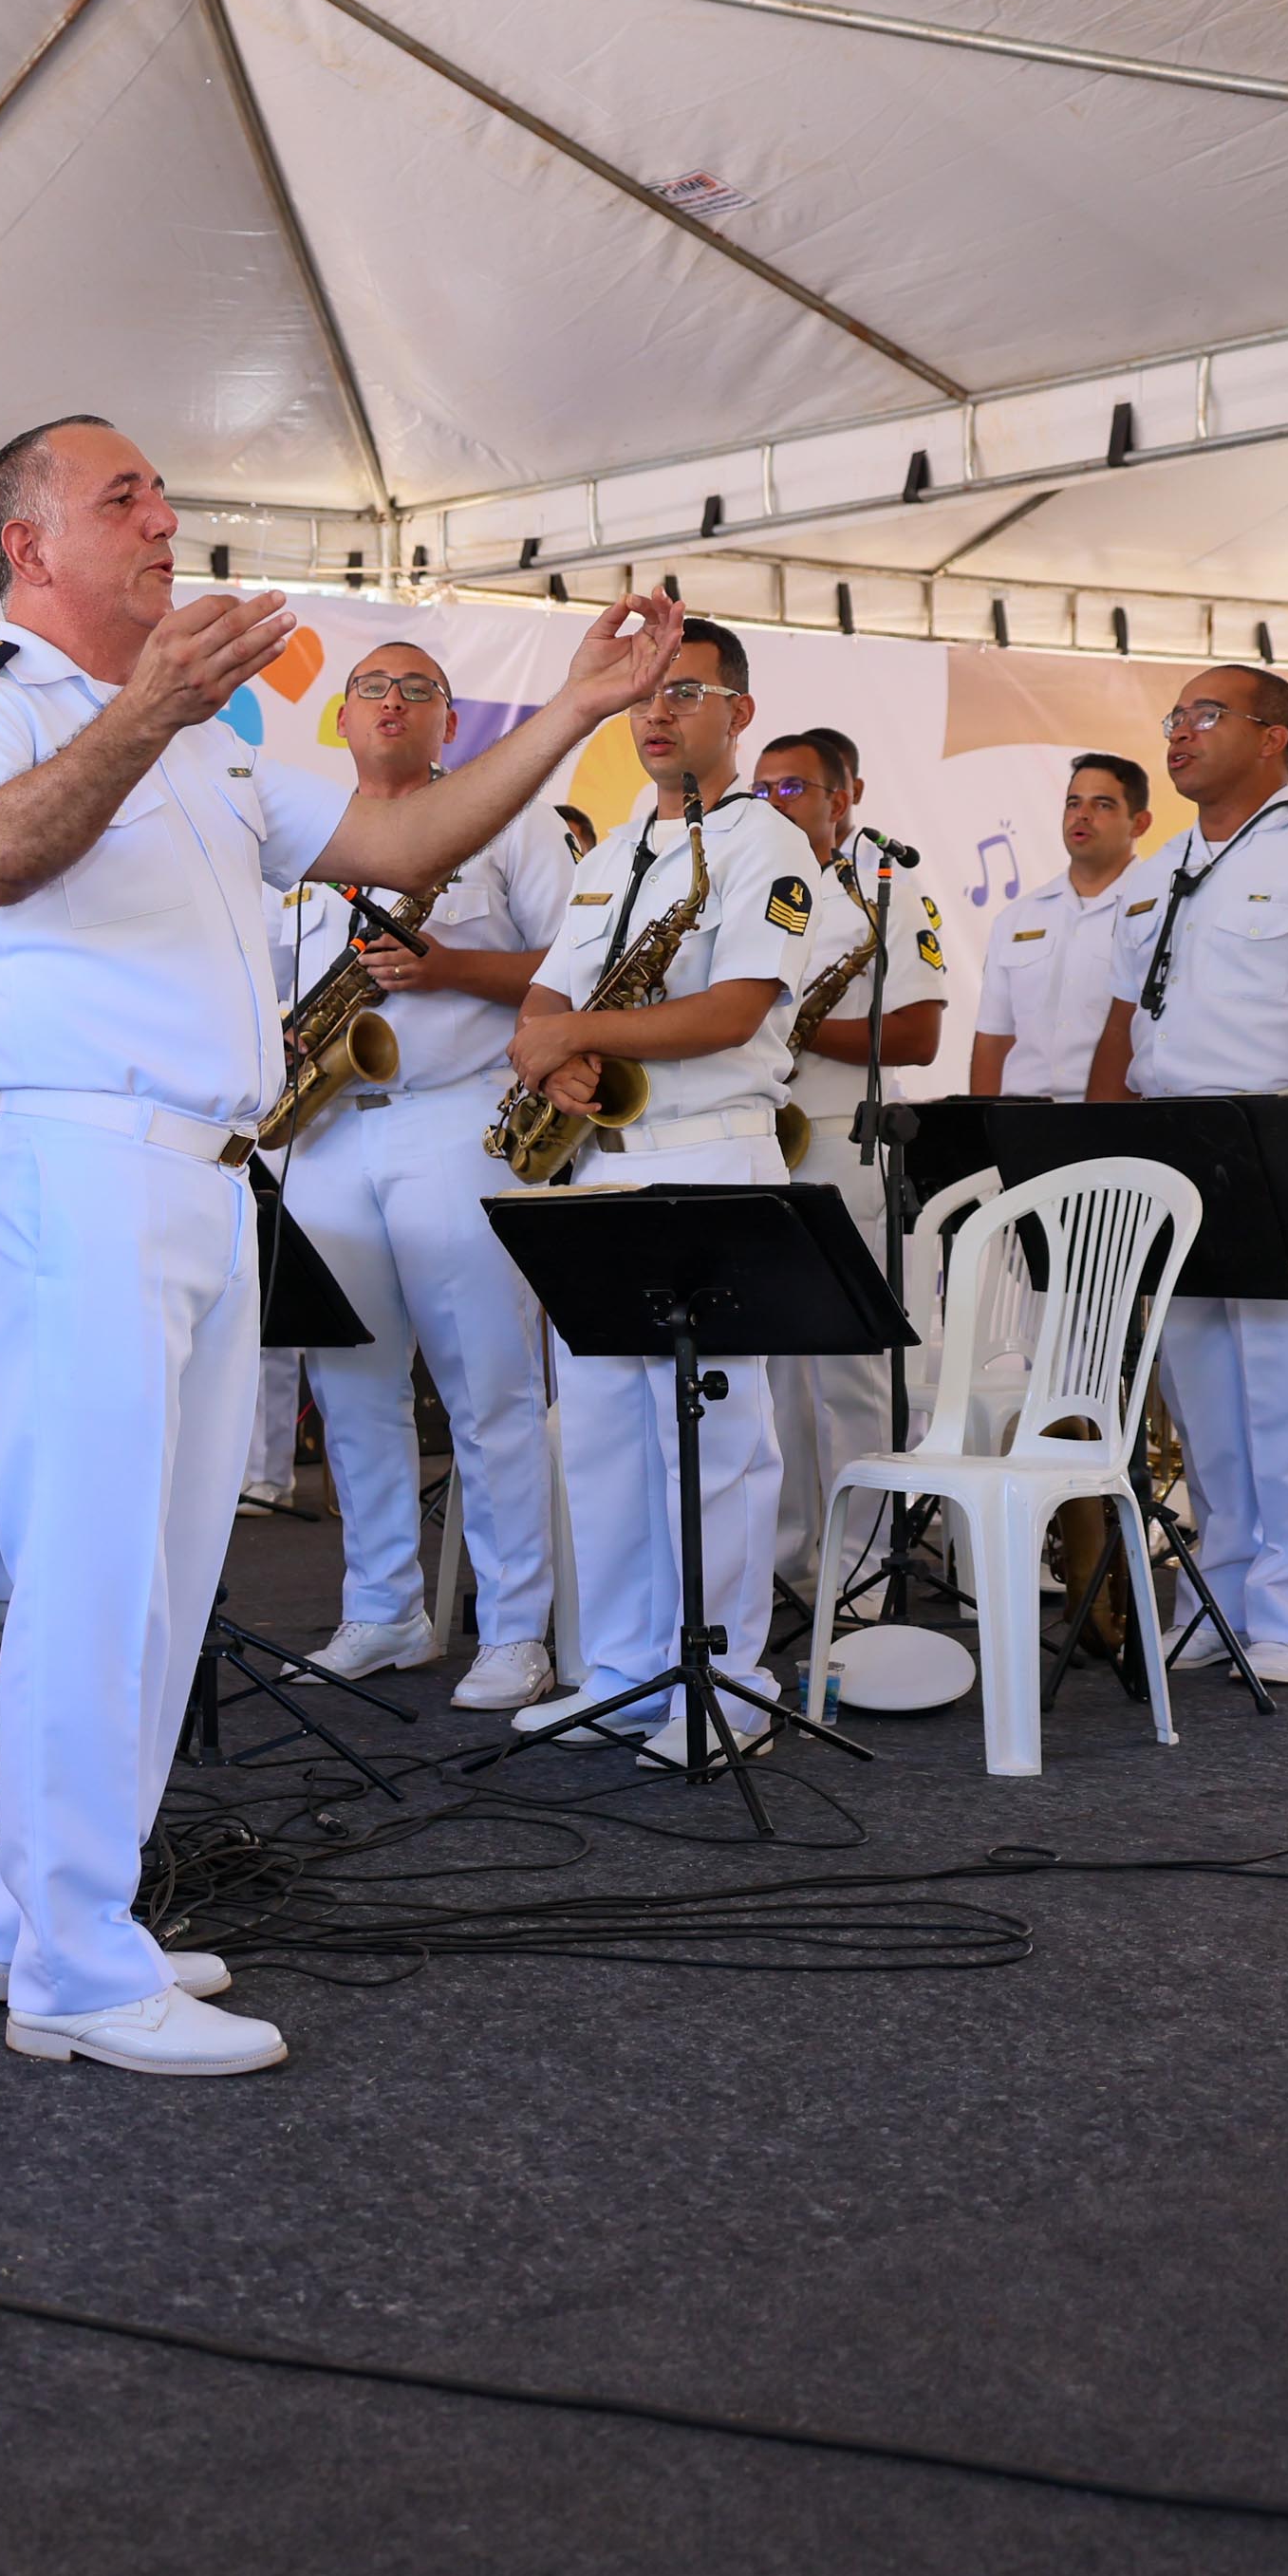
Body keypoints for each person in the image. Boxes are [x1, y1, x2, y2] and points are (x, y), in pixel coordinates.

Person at [0, 413, 664, 2077]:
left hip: (197, 1173)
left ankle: (35, 1916)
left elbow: (403, 845)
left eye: (163, 493)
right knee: (93, 1571)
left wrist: (575, 712)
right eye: (127, 497)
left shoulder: (210, 741)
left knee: (165, 1581)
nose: (169, 517)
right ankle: (78, 1974)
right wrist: (151, 705)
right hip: (82, 1160)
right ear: (34, 545)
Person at [509, 620, 827, 1762]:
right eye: (644, 694)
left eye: (683, 692)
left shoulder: (768, 846)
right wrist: (556, 1054)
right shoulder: (605, 857)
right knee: (598, 1437)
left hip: (710, 1158)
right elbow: (538, 1009)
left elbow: (734, 1009)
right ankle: (628, 1673)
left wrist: (578, 1032)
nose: (654, 713)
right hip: (603, 1166)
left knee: (715, 1441)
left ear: (737, 713)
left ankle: (729, 1688)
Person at [266, 643, 568, 1708]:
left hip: (456, 1122)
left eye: (418, 690)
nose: (391, 703)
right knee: (348, 1390)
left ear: (450, 724)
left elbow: (580, 962)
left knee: (489, 1391)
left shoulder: (508, 820)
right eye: (370, 689)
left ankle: (514, 1630)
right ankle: (383, 1609)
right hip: (326, 1131)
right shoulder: (294, 832)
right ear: (339, 719)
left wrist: (450, 971)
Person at [1087, 664, 1288, 1689]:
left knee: (1280, 1395)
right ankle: (1215, 1603)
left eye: (1202, 717)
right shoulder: (1157, 869)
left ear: (1271, 737)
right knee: (1197, 1397)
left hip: (1270, 1138)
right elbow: (1124, 1029)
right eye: (1171, 719)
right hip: (1167, 1143)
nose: (1177, 735)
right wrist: (1098, 1158)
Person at [748, 726, 945, 1611]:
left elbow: (918, 1034)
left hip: (840, 1138)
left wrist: (783, 1027)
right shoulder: (748, 882)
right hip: (760, 1143)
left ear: (844, 797)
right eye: (762, 790)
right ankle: (793, 1563)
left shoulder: (888, 892)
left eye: (793, 788)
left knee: (853, 1373)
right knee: (777, 1375)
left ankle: (865, 1567)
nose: (774, 804)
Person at [966, 754, 1153, 1099]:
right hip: (1022, 1120)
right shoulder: (1017, 917)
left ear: (1139, 824)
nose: (1082, 815)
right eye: (1073, 803)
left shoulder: (1162, 910)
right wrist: (982, 1132)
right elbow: (994, 1038)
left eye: (1103, 805)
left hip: (1121, 1119)